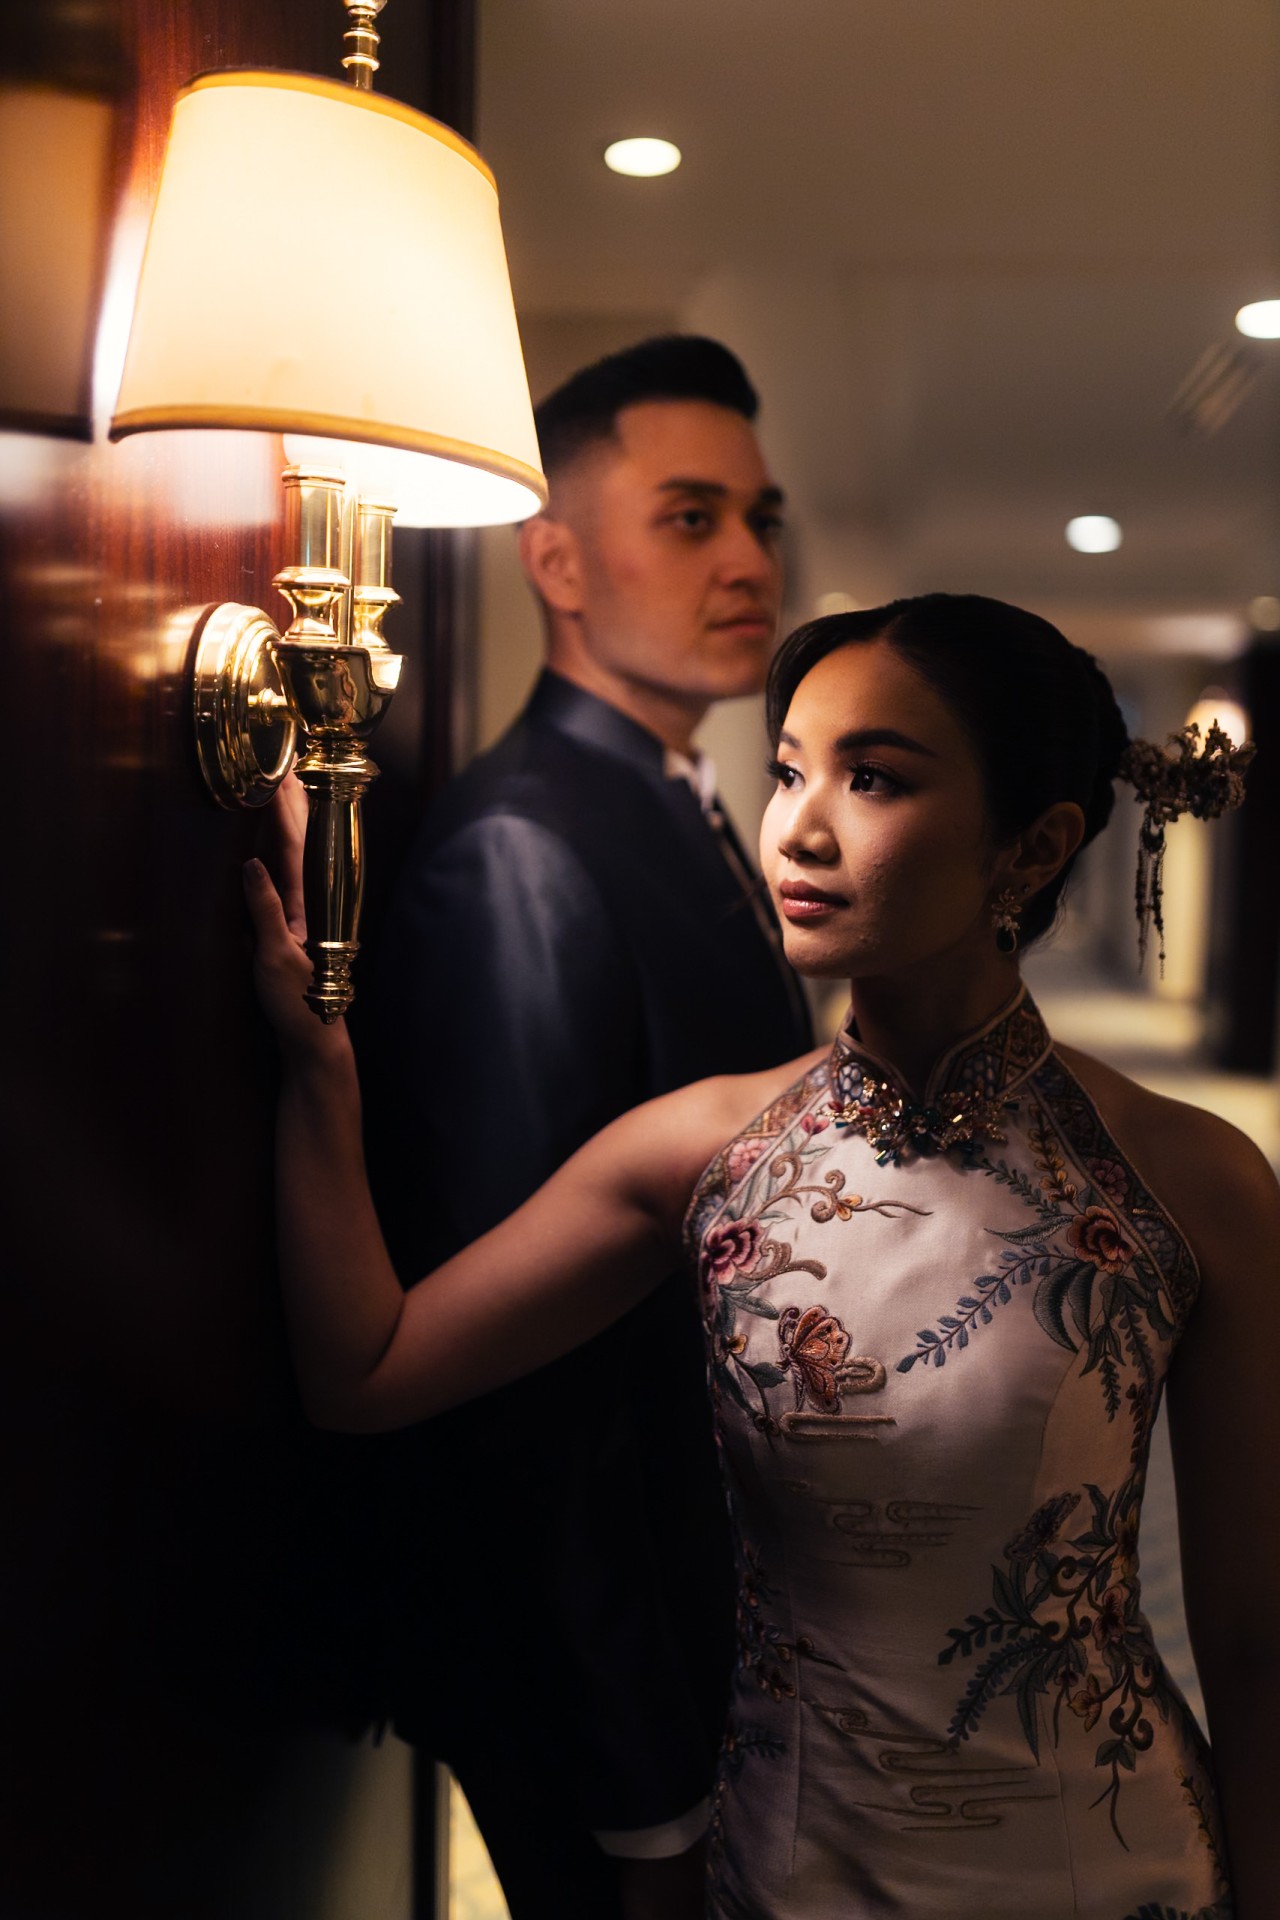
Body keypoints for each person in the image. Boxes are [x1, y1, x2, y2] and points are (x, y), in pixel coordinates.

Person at [247, 592, 1275, 1918]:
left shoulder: (1191, 1182)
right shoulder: (699, 1153)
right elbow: (366, 1369)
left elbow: (1255, 1640)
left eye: (874, 777)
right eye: (790, 769)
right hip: (791, 1877)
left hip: (1118, 1872)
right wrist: (318, 1062)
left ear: (1033, 847)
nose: (798, 826)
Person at [357, 335, 813, 1916]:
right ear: (554, 561)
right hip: (610, 1674)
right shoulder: (526, 854)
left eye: (758, 518)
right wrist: (643, 1795)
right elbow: (529, 1386)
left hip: (722, 1608)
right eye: (691, 517)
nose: (749, 559)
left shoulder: (675, 805)